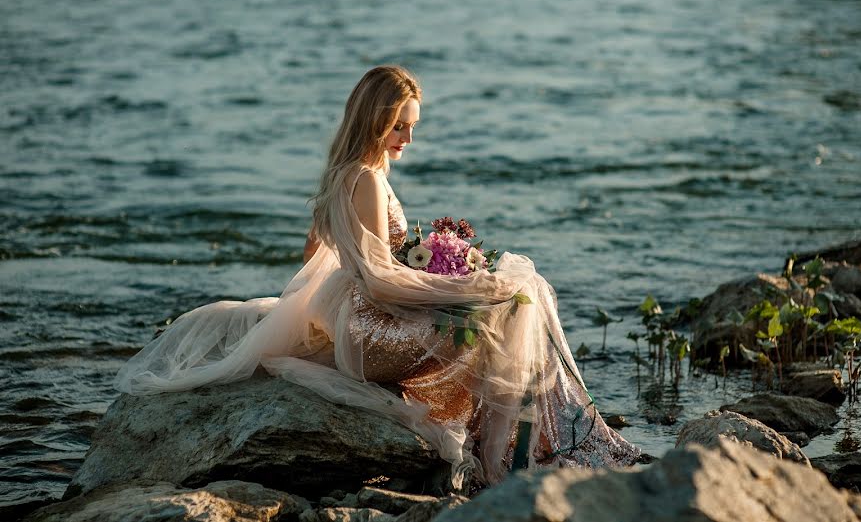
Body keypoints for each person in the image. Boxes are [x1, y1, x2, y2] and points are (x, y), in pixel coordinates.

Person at [114, 65, 640, 490]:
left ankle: (510, 449)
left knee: (506, 304)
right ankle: (507, 460)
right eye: (400, 126)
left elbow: (313, 252)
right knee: (509, 304)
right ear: (374, 121)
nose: (409, 137)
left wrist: (418, 271)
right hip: (369, 334)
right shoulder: (365, 178)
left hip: (357, 321)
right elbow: (379, 283)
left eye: (413, 125)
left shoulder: (348, 173)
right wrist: (463, 286)